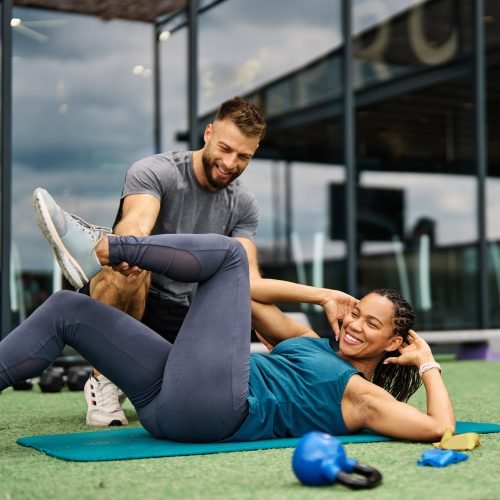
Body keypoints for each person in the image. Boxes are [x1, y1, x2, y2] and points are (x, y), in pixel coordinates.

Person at [2, 190, 456, 444]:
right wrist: (322, 296)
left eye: (370, 324)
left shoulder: (362, 398)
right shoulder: (305, 341)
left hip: (214, 412)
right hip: (166, 399)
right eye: (356, 311)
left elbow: (438, 428)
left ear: (394, 343)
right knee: (68, 309)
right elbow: (249, 292)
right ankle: (106, 253)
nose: (355, 325)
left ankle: (105, 247)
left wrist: (428, 361)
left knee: (231, 255)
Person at [36, 96, 266, 427]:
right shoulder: (157, 171)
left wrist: (287, 313)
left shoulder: (243, 204)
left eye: (243, 156)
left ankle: (134, 374)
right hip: (138, 293)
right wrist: (129, 249)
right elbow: (136, 225)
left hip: (184, 313)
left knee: (199, 401)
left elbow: (249, 277)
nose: (231, 163)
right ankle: (104, 379)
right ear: (208, 133)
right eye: (226, 149)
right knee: (132, 259)